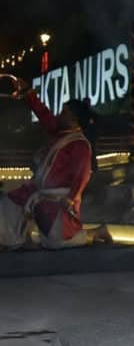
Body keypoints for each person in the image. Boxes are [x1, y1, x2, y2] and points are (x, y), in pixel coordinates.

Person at [0, 81, 93, 249]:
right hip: (36, 192)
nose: (60, 115)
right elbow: (44, 114)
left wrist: (70, 199)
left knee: (57, 241)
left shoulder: (80, 145)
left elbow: (82, 175)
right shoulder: (58, 131)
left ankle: (96, 233)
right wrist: (29, 94)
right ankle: (18, 240)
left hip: (57, 200)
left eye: (64, 112)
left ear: (74, 119)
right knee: (8, 203)